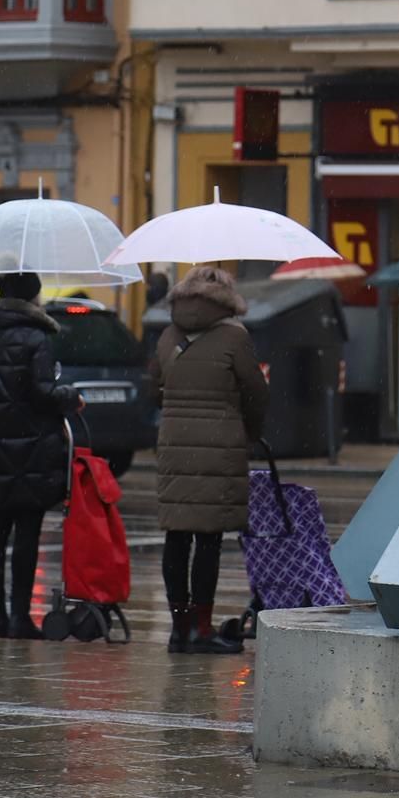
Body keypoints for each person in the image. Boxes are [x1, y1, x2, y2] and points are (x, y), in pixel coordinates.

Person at [151, 266, 269, 655]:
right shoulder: (235, 336)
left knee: (177, 535)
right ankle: (201, 629)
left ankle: (177, 628)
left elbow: (154, 385)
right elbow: (255, 391)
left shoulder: (168, 334)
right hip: (220, 444)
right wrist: (249, 432)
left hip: (174, 444)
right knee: (208, 539)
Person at [0, 271, 82, 640]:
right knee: (27, 531)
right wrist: (70, 396)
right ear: (31, 297)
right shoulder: (37, 339)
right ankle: (19, 617)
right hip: (32, 446)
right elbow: (42, 391)